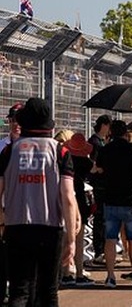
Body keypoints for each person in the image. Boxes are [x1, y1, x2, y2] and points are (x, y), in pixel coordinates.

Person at [0, 97, 77, 306]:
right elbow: (68, 198)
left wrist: (2, 222)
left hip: (16, 226)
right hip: (49, 228)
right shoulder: (60, 151)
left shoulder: (9, 151)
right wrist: (71, 239)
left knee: (19, 291)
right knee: (49, 291)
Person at [95, 119, 132, 289]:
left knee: (110, 239)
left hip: (110, 199)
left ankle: (110, 277)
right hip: (130, 200)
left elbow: (99, 169)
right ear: (126, 133)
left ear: (111, 132)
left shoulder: (105, 149)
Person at [62, 132, 95, 287]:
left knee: (66, 237)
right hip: (80, 198)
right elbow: (95, 170)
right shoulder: (86, 162)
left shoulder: (64, 160)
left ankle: (66, 272)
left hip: (66, 195)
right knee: (79, 237)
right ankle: (79, 273)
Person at [0, 103, 23, 303]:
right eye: (13, 120)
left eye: (19, 120)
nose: (16, 124)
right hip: (4, 208)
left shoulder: (34, 147)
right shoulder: (2, 146)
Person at [88, 114, 111, 264]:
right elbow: (92, 163)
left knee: (103, 218)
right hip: (97, 185)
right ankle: (99, 250)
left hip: (102, 185)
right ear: (103, 125)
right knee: (99, 218)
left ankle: (102, 249)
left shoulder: (101, 141)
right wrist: (99, 168)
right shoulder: (95, 142)